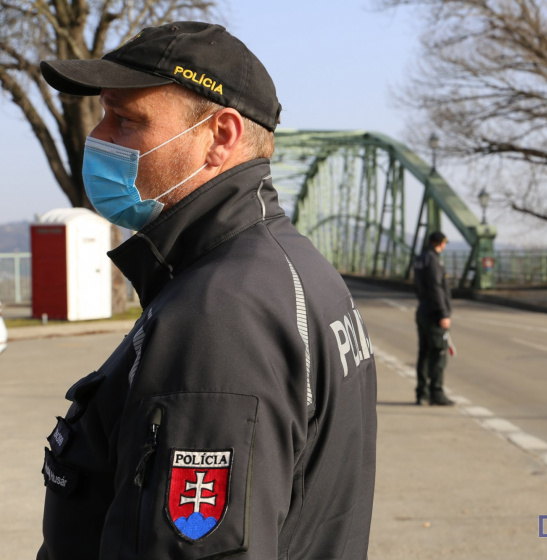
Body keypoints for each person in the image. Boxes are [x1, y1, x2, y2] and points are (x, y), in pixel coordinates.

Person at [36, 22, 377, 560]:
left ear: (220, 137)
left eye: (126, 120)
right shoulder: (290, 269)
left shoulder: (219, 314)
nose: (97, 137)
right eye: (102, 115)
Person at [413, 231, 454, 406]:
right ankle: (436, 393)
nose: (444, 246)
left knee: (424, 353)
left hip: (423, 310)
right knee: (438, 354)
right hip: (434, 314)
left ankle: (422, 393)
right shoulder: (433, 260)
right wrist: (443, 313)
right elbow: (436, 288)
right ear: (439, 243)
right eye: (443, 243)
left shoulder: (421, 258)